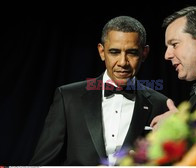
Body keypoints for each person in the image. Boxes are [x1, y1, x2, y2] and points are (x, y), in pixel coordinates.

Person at [29, 16, 168, 166]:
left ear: (144, 53)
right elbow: (41, 164)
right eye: (114, 52)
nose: (123, 62)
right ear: (102, 52)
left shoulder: (159, 104)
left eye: (132, 52)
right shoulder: (68, 97)